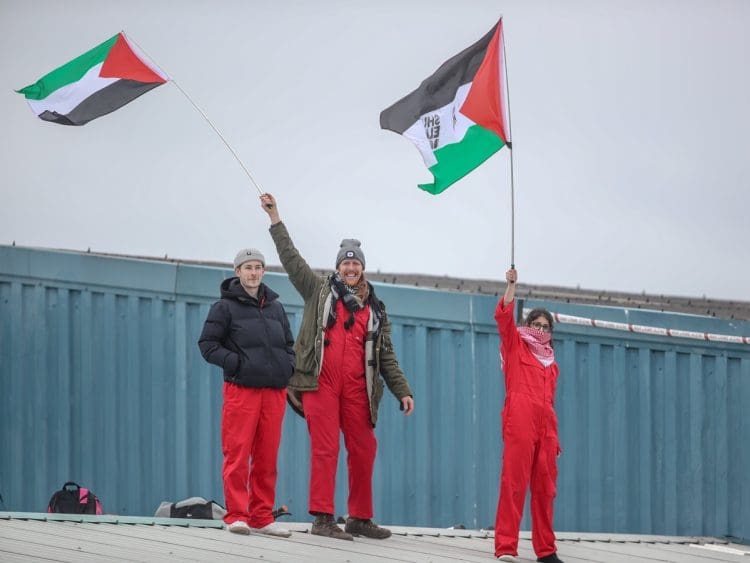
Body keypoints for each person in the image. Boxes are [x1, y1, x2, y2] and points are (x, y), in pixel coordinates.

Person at [260, 192, 415, 541]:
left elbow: (386, 355)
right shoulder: (319, 291)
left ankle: (359, 517)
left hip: (359, 388)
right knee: (326, 446)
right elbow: (291, 259)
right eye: (345, 263)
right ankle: (323, 518)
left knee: (364, 447)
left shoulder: (375, 309)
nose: (350, 268)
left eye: (355, 263)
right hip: (320, 384)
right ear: (338, 267)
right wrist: (275, 219)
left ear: (362, 268)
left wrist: (402, 390)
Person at [198, 248, 295, 537]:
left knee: (267, 456)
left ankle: (262, 516)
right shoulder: (224, 308)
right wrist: (238, 364)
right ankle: (237, 515)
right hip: (242, 390)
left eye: (258, 267)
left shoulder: (276, 307)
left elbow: (289, 344)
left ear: (264, 271)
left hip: (274, 392)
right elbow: (208, 345)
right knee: (237, 454)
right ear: (237, 272)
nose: (253, 272)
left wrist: (286, 367)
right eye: (247, 267)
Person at [494, 268, 564, 563]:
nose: (540, 329)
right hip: (520, 422)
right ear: (527, 325)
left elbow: (549, 404)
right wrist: (511, 286)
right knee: (514, 483)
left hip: (545, 429)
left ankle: (546, 551)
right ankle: (506, 548)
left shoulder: (552, 364)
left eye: (545, 326)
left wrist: (553, 438)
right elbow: (503, 317)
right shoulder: (515, 346)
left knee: (546, 490)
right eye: (535, 324)